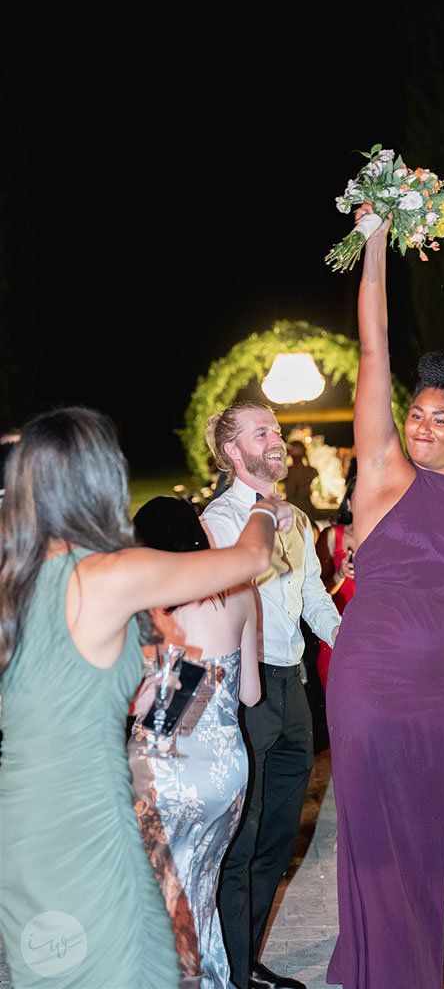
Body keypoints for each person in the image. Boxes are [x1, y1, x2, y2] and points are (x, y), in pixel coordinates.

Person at [0, 406, 291, 989]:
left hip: (22, 820)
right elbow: (252, 559)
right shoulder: (109, 576)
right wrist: (262, 505)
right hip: (88, 814)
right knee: (134, 964)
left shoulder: (15, 579)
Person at [325, 213, 444, 989]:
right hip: (368, 680)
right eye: (416, 414)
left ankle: (405, 969)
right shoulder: (379, 473)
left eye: (440, 419)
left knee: (429, 844)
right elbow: (374, 349)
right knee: (372, 836)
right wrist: (374, 237)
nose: (422, 427)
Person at [202, 402, 341, 989]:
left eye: (278, 430)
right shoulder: (218, 520)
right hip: (243, 688)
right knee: (243, 835)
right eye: (263, 433)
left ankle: (245, 963)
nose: (277, 440)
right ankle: (230, 973)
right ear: (234, 452)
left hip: (293, 689)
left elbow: (314, 601)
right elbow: (228, 599)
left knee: (279, 836)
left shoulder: (302, 522)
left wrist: (358, 652)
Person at [128, 495, 261, 989]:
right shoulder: (242, 593)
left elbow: (158, 715)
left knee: (163, 904)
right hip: (227, 774)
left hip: (168, 774)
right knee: (199, 893)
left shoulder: (151, 605)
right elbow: (250, 692)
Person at [315, 477, 356, 692]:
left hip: (377, 639)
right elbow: (315, 591)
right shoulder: (332, 536)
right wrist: (340, 574)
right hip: (337, 635)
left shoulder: (385, 539)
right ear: (349, 503)